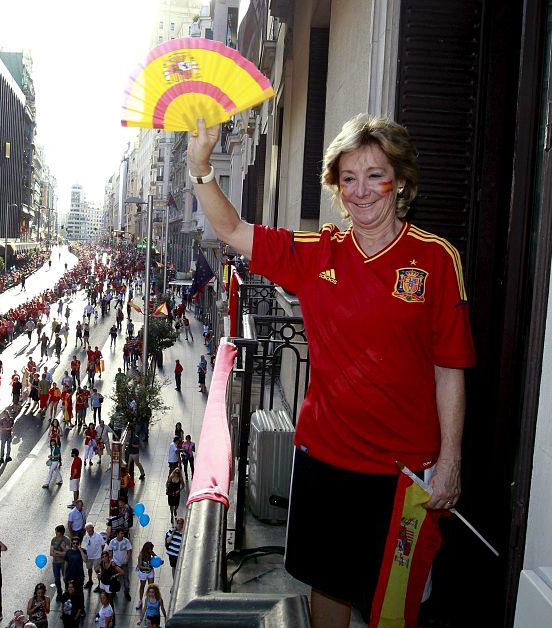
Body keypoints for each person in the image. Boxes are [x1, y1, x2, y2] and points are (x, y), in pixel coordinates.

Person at [187, 114, 475, 627]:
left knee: (396, 605)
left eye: (374, 175)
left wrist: (450, 461)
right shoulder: (318, 252)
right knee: (330, 589)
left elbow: (450, 366)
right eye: (348, 178)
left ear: (401, 181)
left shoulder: (434, 260)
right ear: (337, 189)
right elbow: (231, 229)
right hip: (326, 462)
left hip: (403, 476)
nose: (361, 191)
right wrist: (200, 164)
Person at [107, 528, 132, 602]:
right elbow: (110, 551)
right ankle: (114, 591)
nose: (122, 535)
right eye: (121, 533)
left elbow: (129, 550)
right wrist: (111, 561)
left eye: (123, 533)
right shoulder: (112, 541)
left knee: (126, 579)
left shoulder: (126, 541)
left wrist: (127, 559)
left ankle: (126, 592)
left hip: (124, 564)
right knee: (114, 578)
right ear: (117, 534)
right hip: (115, 564)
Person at [49, 525, 71, 601]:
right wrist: (62, 553)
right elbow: (51, 553)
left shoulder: (66, 540)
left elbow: (67, 553)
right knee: (56, 579)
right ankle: (59, 593)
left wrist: (57, 552)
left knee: (66, 578)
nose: (56, 533)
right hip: (55, 562)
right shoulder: (53, 540)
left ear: (61, 532)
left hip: (64, 562)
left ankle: (67, 591)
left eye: (57, 531)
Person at [135, 542, 159, 610]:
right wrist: (147, 568)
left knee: (151, 586)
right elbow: (140, 566)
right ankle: (140, 600)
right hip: (143, 572)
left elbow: (156, 557)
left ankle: (150, 599)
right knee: (142, 585)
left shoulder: (150, 552)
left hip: (150, 571)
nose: (151, 550)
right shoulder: (141, 555)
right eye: (150, 549)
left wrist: (159, 561)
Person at [82, 522, 104, 589]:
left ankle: (100, 583)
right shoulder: (85, 537)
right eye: (88, 531)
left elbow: (103, 544)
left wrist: (100, 552)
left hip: (97, 556)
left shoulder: (98, 536)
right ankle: (90, 581)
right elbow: (83, 546)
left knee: (97, 570)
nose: (89, 532)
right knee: (89, 569)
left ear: (93, 528)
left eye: (90, 530)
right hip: (89, 557)